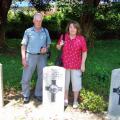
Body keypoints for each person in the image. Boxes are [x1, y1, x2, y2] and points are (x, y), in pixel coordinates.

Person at [21, 13, 51, 103]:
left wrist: (46, 48)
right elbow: (23, 45)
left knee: (42, 76)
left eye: (40, 20)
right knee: (26, 77)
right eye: (37, 20)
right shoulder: (28, 31)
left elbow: (49, 43)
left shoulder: (45, 31)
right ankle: (25, 95)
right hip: (30, 56)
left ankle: (38, 93)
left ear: (42, 21)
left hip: (42, 57)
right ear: (33, 21)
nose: (38, 22)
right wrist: (23, 58)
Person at [56, 20, 87, 108]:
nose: (72, 29)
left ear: (77, 29)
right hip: (65, 65)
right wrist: (60, 45)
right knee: (65, 83)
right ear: (68, 28)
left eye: (74, 27)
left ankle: (75, 101)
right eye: (70, 27)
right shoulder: (64, 37)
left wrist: (83, 64)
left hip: (76, 65)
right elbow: (58, 48)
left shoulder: (81, 38)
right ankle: (65, 99)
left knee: (76, 84)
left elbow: (84, 52)